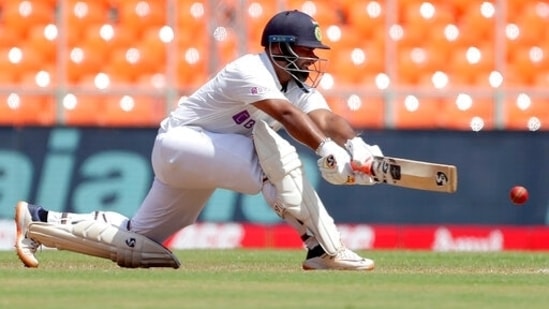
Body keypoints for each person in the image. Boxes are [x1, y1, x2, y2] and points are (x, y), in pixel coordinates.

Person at [15, 10, 383, 270]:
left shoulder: (295, 84)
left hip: (200, 156)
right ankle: (324, 249)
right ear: (279, 47)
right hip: (181, 144)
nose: (312, 57)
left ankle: (38, 222)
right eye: (306, 49)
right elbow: (286, 116)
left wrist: (354, 145)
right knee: (276, 160)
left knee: (141, 244)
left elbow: (324, 118)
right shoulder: (250, 69)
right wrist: (324, 149)